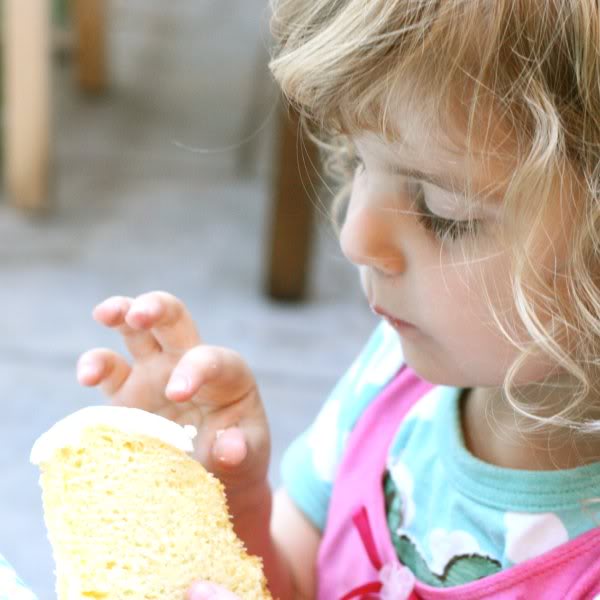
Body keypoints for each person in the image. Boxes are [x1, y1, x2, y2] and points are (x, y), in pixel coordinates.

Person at [77, 1, 600, 598]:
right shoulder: (392, 380)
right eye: (357, 161)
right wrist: (231, 500)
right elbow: (296, 581)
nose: (354, 237)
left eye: (443, 211)